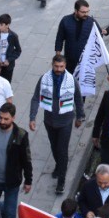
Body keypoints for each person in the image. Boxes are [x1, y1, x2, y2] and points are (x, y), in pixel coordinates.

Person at [27, 53, 85, 195]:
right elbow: (36, 98)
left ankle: (61, 181)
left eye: (61, 66)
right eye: (56, 66)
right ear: (52, 65)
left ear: (65, 66)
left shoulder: (71, 80)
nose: (58, 69)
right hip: (49, 120)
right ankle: (59, 166)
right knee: (54, 146)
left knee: (62, 149)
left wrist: (80, 117)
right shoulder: (44, 79)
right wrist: (32, 117)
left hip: (65, 120)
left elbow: (78, 98)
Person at [0, 14, 21, 83]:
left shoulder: (13, 36)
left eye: (1, 25)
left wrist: (9, 60)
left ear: (7, 25)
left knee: (6, 83)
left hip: (8, 66)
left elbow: (18, 50)